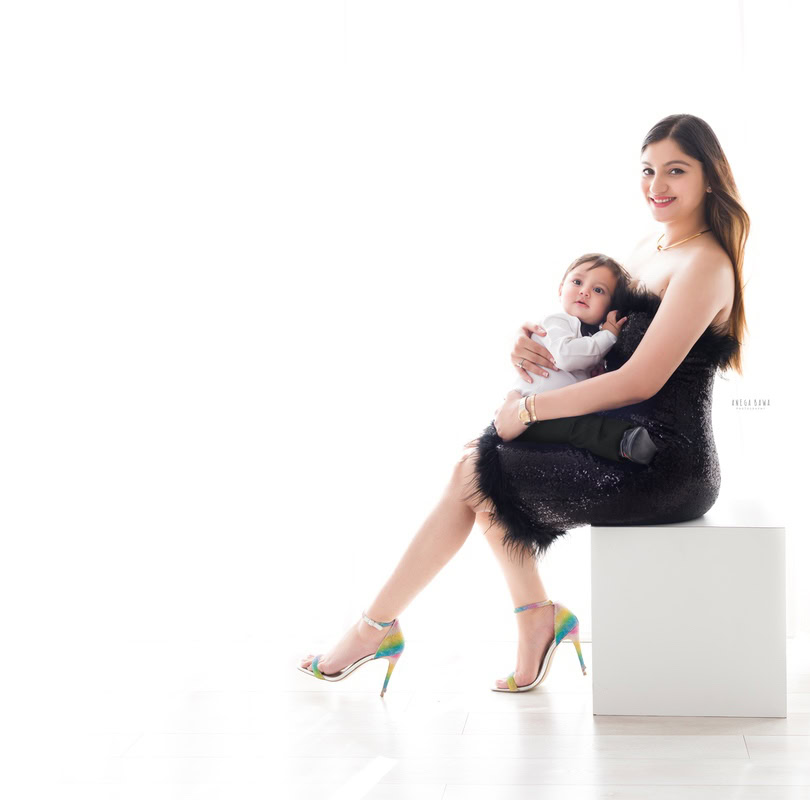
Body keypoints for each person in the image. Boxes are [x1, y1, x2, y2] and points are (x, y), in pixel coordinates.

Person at [298, 113, 749, 695]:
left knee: (475, 471)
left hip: (661, 462)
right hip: (613, 435)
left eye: (676, 171)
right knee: (477, 468)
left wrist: (531, 413)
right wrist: (534, 342)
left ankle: (383, 628)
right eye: (647, 170)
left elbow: (639, 379)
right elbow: (594, 334)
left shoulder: (705, 263)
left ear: (710, 177)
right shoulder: (651, 245)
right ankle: (514, 619)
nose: (656, 184)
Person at [509, 252, 658, 465]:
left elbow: (580, 377)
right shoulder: (556, 321)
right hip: (531, 418)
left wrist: (593, 373)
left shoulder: (587, 335)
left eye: (598, 290)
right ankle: (623, 440)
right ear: (561, 289)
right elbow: (566, 357)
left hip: (555, 410)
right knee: (579, 428)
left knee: (577, 426)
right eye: (577, 282)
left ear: (610, 308)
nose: (584, 291)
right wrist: (608, 335)